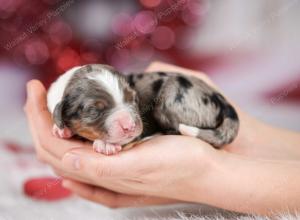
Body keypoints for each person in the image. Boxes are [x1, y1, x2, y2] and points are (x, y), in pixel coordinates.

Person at [24, 61, 300, 215]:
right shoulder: (64, 106)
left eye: (129, 101)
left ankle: (210, 134)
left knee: (165, 105)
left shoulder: (138, 98)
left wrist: (208, 175)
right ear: (61, 116)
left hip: (183, 98)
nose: (131, 121)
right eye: (98, 110)